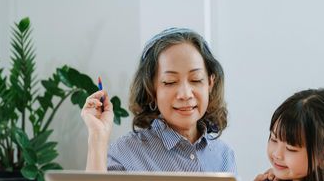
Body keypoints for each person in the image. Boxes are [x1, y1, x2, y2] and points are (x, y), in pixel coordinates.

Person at [81, 28, 236, 173]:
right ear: (152, 90)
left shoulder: (224, 156)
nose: (185, 94)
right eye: (170, 82)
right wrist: (97, 137)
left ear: (210, 83)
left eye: (196, 79)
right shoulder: (124, 153)